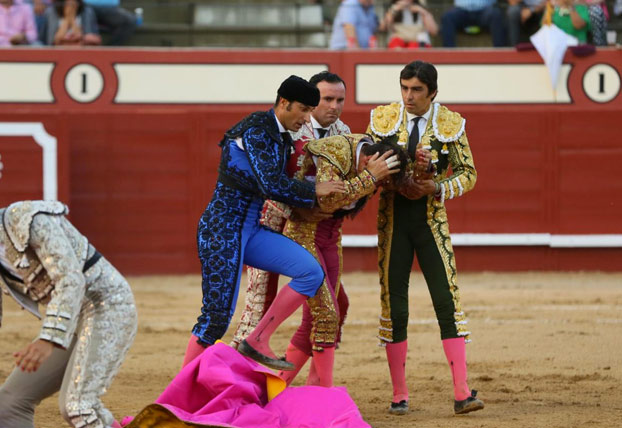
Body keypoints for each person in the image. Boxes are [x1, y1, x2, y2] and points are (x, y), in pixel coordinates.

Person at [181, 75, 345, 371]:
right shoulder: (257, 129)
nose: (306, 118)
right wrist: (315, 191)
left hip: (251, 230)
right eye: (303, 110)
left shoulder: (281, 137)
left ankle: (258, 339)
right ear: (284, 103)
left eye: (310, 110)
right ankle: (178, 395)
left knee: (310, 272)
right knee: (216, 317)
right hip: (222, 230)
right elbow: (271, 184)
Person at [366, 60, 483, 416]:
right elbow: (365, 162)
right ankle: (399, 394)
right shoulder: (382, 119)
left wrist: (438, 186)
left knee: (447, 304)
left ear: (432, 92)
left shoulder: (450, 123)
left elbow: (469, 174)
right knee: (394, 307)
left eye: (416, 90)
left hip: (431, 222)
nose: (408, 96)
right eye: (404, 88)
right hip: (393, 223)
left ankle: (462, 392)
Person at [275, 134, 408, 388]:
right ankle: (319, 393)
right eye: (382, 180)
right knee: (326, 312)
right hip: (304, 233)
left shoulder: (372, 159)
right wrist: (369, 177)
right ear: (370, 160)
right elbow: (327, 199)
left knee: (327, 312)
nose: (379, 186)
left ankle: (287, 387)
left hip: (330, 236)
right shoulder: (337, 150)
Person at [231, 71, 351, 352]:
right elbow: (267, 185)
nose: (334, 106)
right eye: (327, 99)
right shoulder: (289, 129)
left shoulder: (343, 134)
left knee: (334, 305)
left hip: (313, 234)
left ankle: (311, 378)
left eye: (340, 100)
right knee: (258, 307)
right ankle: (238, 377)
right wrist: (300, 211)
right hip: (272, 225)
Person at [0, 200, 137, 428]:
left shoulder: (24, 219)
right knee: (7, 406)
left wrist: (49, 338)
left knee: (78, 408)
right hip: (73, 321)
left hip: (108, 305)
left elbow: (71, 280)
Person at [441, 0, 506, 47]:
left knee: (496, 15)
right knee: (447, 17)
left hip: (485, 11)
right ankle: (449, 53)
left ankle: (500, 51)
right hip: (461, 11)